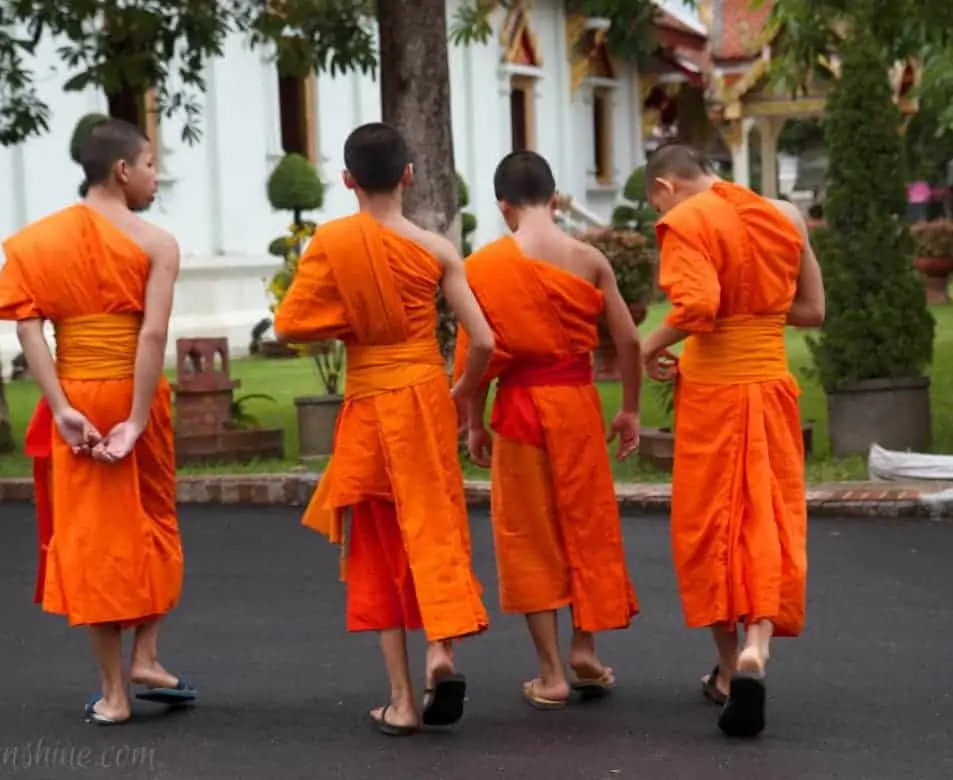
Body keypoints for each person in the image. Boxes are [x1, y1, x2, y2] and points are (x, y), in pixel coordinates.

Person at [272, 122, 496, 737]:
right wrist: (460, 390)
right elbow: (483, 340)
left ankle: (401, 700)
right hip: (425, 395)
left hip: (371, 400)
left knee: (377, 542)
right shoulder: (437, 249)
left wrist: (353, 319)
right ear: (408, 175)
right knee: (436, 521)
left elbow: (289, 324)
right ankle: (442, 651)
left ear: (346, 180)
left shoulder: (334, 241)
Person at [0, 118, 193, 726]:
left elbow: (27, 328)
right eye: (150, 164)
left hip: (74, 391)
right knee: (154, 518)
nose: (156, 175)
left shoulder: (39, 242)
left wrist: (62, 406)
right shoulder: (157, 243)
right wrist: (132, 418)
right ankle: (146, 653)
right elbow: (152, 334)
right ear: (122, 170)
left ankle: (115, 693)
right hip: (136, 394)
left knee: (93, 541)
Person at [639, 143, 825, 738]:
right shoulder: (785, 216)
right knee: (767, 516)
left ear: (666, 187)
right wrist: (760, 317)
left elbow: (697, 304)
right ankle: (755, 648)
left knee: (709, 524)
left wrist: (648, 344)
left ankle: (725, 667)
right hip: (770, 385)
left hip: (714, 394)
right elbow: (814, 309)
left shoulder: (685, 221)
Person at [452, 151, 642, 710]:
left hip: (519, 412)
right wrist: (629, 408)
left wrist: (472, 425)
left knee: (528, 533)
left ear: (503, 206)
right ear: (555, 199)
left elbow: (476, 358)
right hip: (577, 407)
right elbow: (629, 341)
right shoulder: (588, 259)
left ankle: (552, 673)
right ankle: (586, 645)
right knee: (586, 523)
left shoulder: (483, 266)